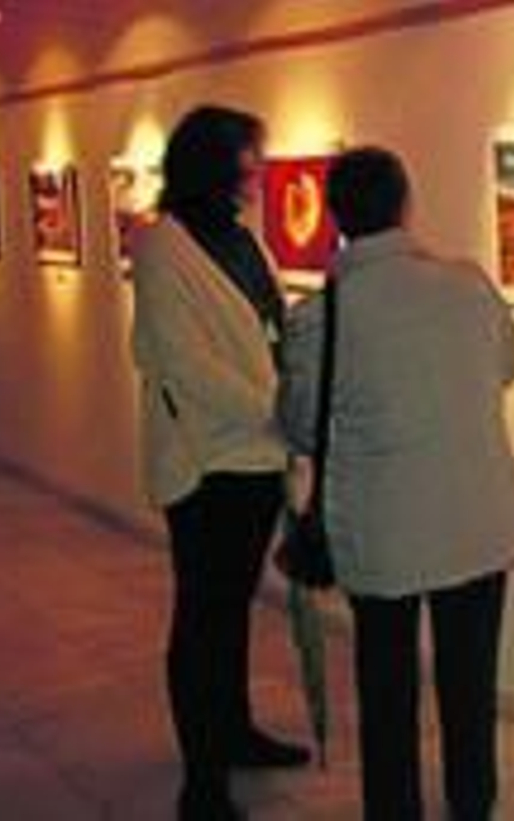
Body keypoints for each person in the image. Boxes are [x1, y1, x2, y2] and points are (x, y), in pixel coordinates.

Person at [278, 147, 514, 820]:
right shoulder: (468, 283)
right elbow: (506, 364)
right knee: (468, 684)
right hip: (477, 519)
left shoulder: (320, 316)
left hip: (383, 532)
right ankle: (471, 805)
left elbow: (302, 427)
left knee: (387, 692)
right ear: (404, 204)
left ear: (336, 215)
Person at [129, 105, 312, 820]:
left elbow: (268, 324)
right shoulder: (163, 247)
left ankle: (234, 731)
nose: (258, 171)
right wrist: (276, 406)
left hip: (256, 457)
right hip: (205, 464)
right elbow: (184, 361)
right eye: (248, 158)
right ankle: (202, 778)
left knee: (231, 608)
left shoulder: (242, 239)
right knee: (203, 616)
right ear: (215, 163)